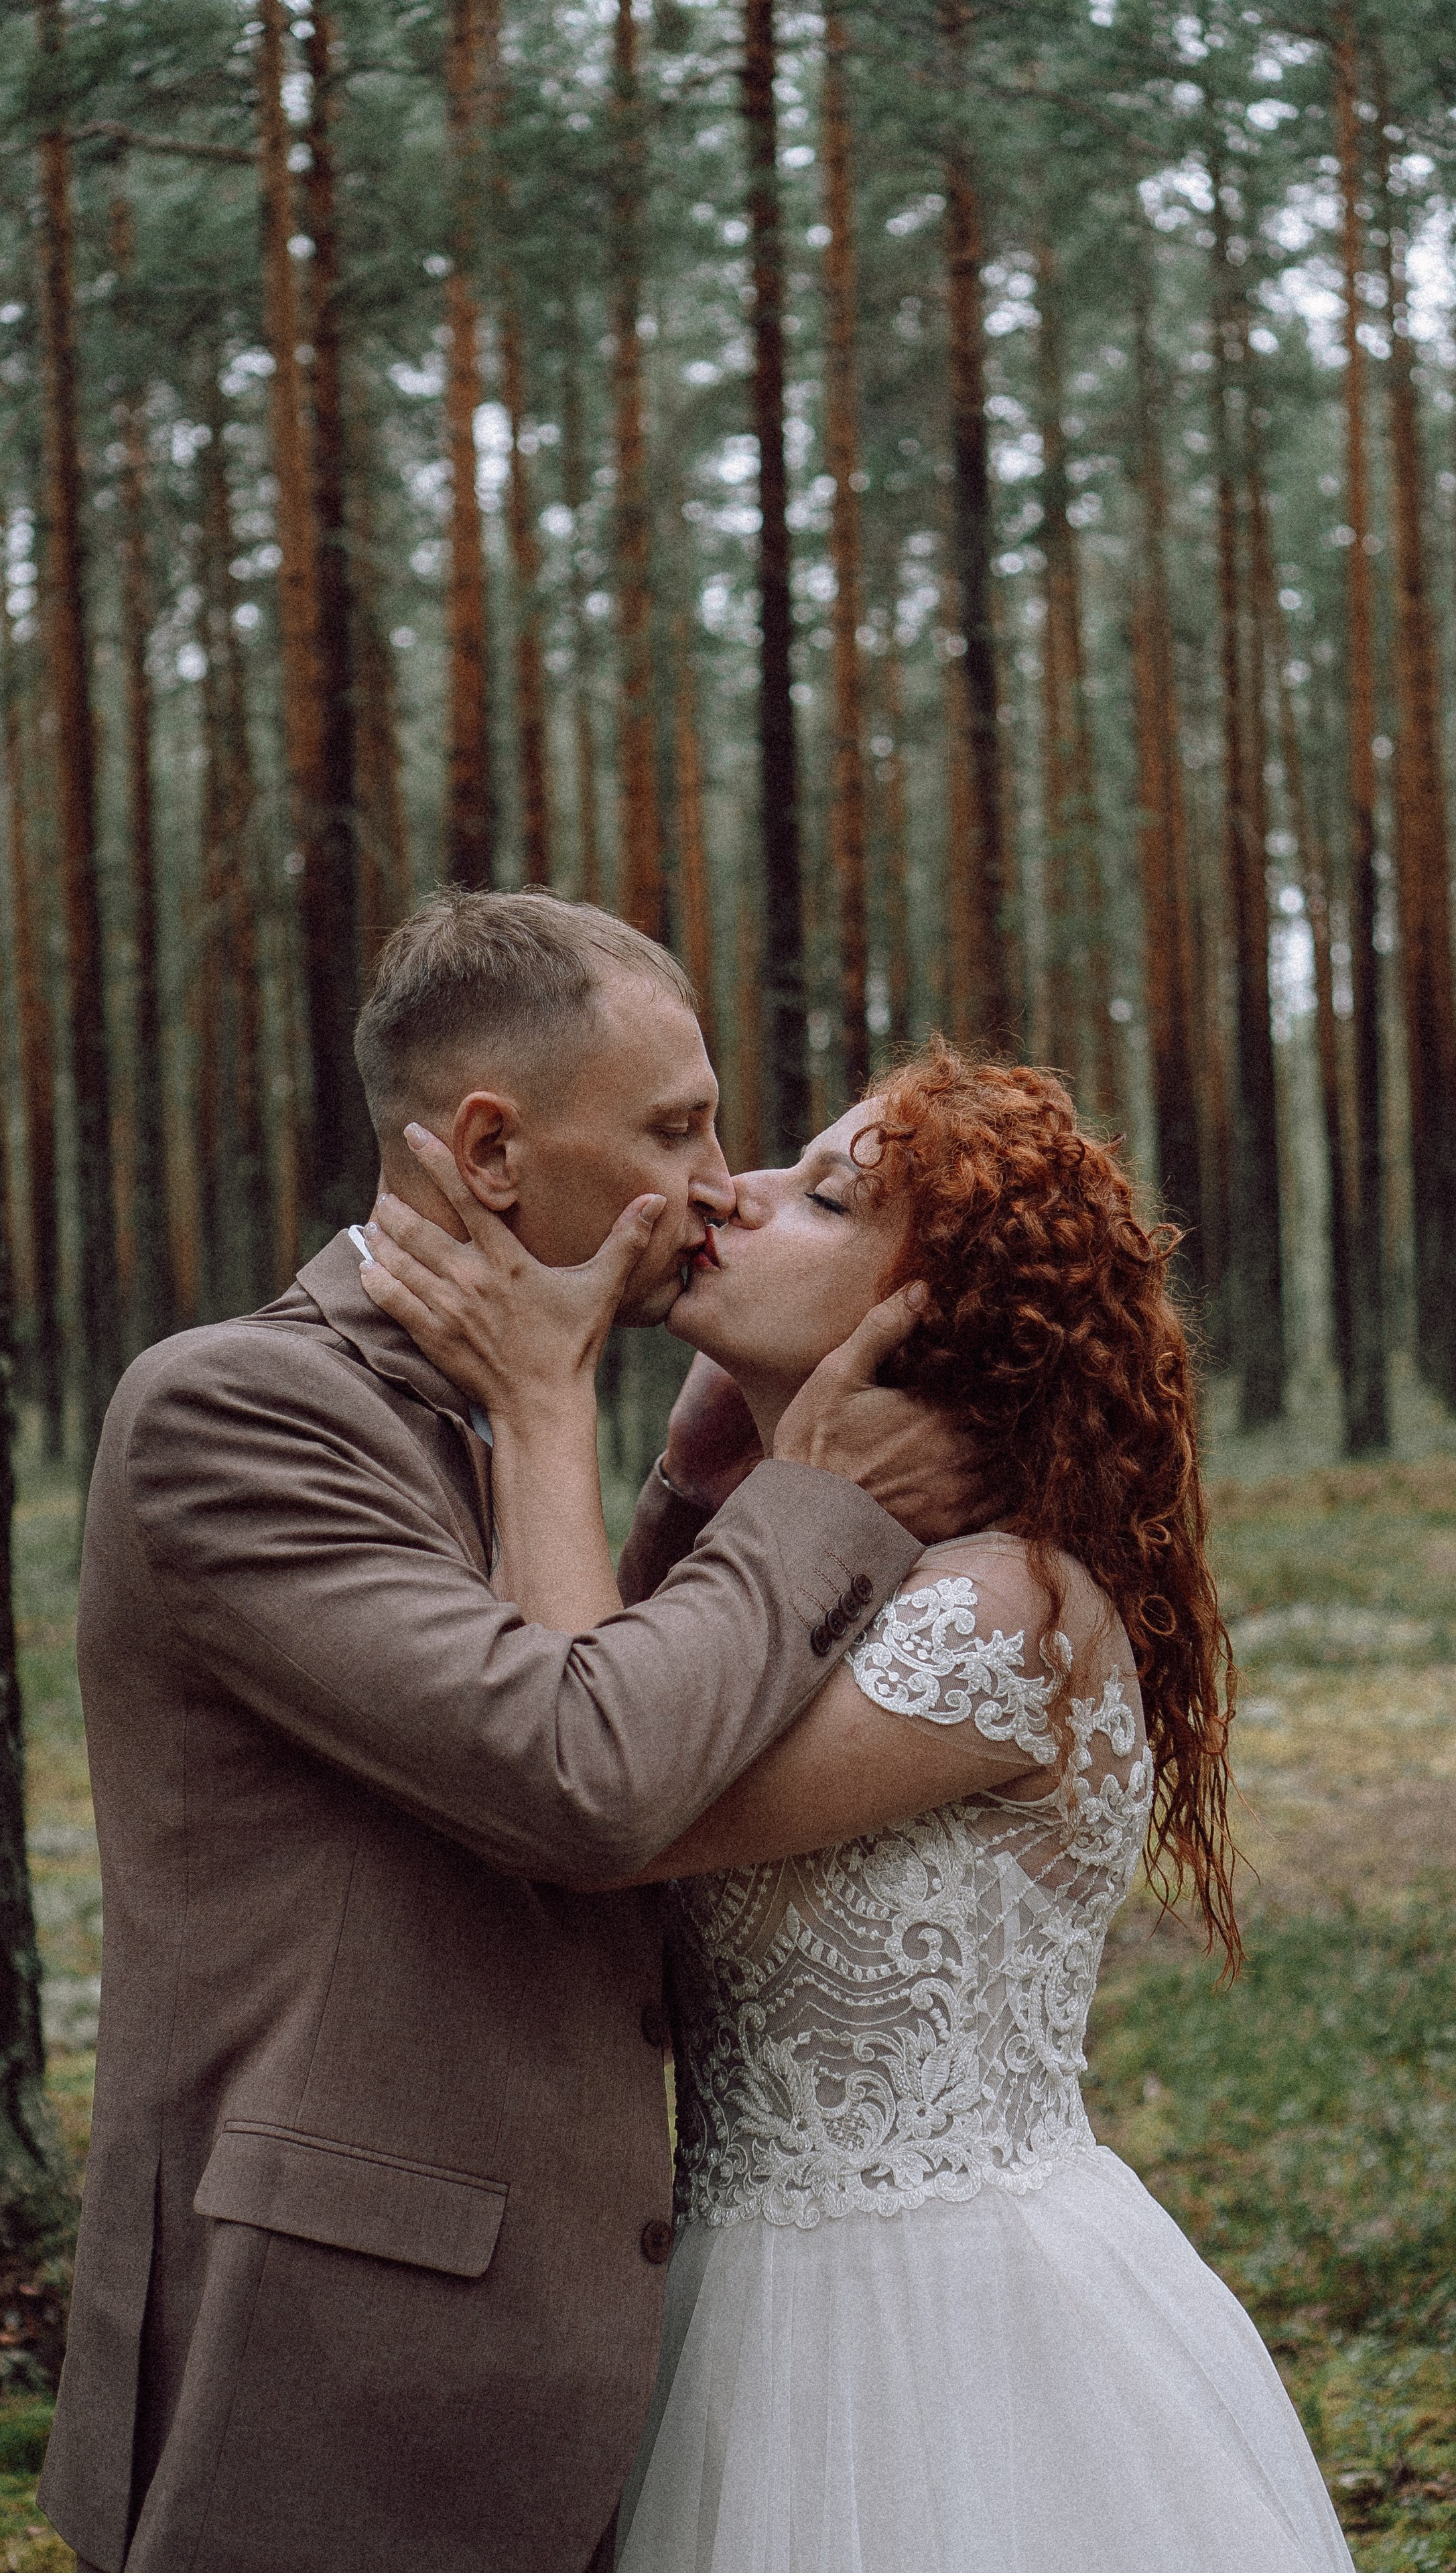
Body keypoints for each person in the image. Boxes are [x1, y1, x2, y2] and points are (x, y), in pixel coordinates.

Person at [40, 891, 974, 2573]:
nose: (712, 1181)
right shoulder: (233, 1414)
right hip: (326, 2366)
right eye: (674, 1129)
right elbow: (581, 1773)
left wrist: (691, 1500)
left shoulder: (510, 1402)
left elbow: (588, 1697)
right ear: (488, 1150)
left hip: (574, 2356)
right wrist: (807, 1503)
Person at [358, 1040, 1357, 2573]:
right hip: (728, 2300)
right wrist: (701, 1485)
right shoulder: (835, 1568)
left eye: (821, 1199)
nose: (728, 1195)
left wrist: (544, 1402)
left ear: (928, 1324)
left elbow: (595, 1785)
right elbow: (638, 1702)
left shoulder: (996, 1607)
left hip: (944, 2331)